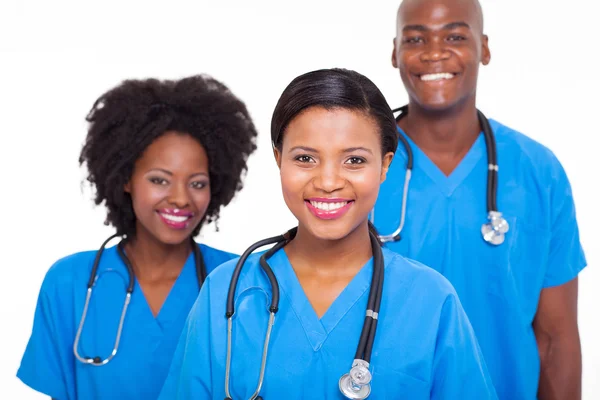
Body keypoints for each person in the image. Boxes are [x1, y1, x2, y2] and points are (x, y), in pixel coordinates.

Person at [157, 68, 498, 399]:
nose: (329, 181)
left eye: (354, 161)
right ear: (279, 160)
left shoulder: (430, 300)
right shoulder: (227, 292)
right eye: (305, 158)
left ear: (385, 165)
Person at [370, 1, 587, 399]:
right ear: (395, 52)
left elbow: (556, 341)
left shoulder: (538, 171)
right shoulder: (361, 168)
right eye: (415, 38)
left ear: (484, 48)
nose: (434, 51)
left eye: (454, 36)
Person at [16, 75, 258, 400]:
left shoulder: (240, 280)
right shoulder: (69, 283)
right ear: (126, 178)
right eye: (160, 180)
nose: (181, 199)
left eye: (197, 183)